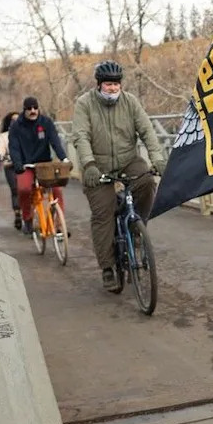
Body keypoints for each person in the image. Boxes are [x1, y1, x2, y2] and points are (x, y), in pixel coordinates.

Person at [71, 60, 167, 292]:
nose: (112, 88)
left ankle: (136, 228)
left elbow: (147, 132)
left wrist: (158, 159)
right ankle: (108, 268)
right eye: (108, 84)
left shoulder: (130, 102)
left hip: (128, 160)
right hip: (98, 166)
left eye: (116, 84)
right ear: (99, 85)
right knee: (103, 214)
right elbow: (80, 137)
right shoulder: (84, 104)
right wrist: (89, 165)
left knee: (145, 181)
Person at [8, 96, 69, 235]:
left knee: (56, 189)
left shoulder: (46, 122)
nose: (33, 111)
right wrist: (18, 164)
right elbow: (14, 148)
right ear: (24, 110)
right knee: (23, 189)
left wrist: (63, 158)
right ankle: (27, 219)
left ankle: (59, 226)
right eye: (29, 109)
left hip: (45, 164)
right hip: (26, 165)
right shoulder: (16, 126)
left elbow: (55, 141)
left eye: (35, 108)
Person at [0, 111, 22, 229]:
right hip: (11, 166)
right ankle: (18, 213)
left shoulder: (28, 132)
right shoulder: (4, 137)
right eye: (13, 120)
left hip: (26, 165)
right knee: (15, 189)